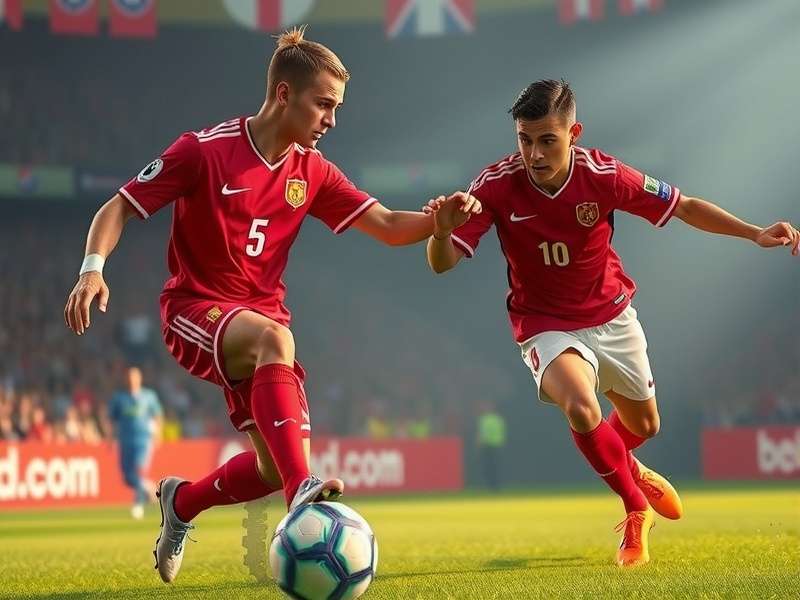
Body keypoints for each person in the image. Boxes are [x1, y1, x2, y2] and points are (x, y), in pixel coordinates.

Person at [63, 26, 480, 584]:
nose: (331, 119)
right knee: (276, 348)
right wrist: (92, 269)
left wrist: (438, 223)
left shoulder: (313, 170)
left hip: (259, 322)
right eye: (323, 104)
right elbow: (117, 207)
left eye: (337, 107)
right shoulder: (204, 151)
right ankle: (301, 488)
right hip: (195, 310)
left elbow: (384, 225)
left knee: (266, 465)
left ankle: (181, 502)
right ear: (284, 94)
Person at [425, 79, 799, 567]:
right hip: (545, 322)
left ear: (573, 133)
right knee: (582, 407)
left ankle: (628, 466)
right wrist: (440, 232)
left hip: (611, 314)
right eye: (524, 140)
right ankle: (634, 507)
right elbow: (442, 263)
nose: (534, 154)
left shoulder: (604, 175)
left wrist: (753, 233)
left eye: (547, 140)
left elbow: (683, 206)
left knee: (646, 424)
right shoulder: (494, 185)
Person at [108, 366, 162, 519]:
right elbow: (111, 419)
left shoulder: (149, 396)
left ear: (140, 379)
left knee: (139, 471)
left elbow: (158, 415)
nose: (132, 380)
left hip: (143, 440)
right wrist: (111, 438)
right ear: (126, 379)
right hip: (125, 440)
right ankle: (148, 488)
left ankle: (138, 505)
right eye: (129, 377)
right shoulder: (119, 398)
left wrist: (158, 434)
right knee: (127, 478)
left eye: (134, 377)